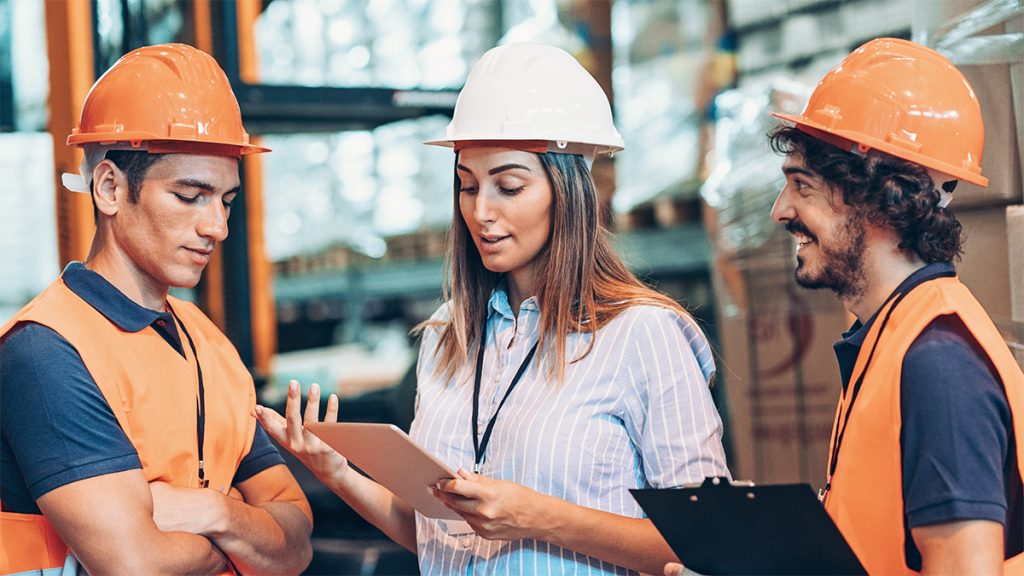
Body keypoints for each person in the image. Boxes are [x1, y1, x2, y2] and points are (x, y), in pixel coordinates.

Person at [256, 42, 730, 575]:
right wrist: (338, 471)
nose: (481, 212)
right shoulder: (449, 337)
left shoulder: (642, 334)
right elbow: (440, 537)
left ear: (569, 190)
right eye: (467, 186)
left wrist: (537, 517)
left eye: (508, 186)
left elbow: (709, 541)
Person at [669, 37, 1024, 576]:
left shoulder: (938, 364)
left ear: (880, 196)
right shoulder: (892, 337)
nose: (779, 210)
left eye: (801, 186)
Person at [0, 44, 312, 576]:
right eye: (190, 196)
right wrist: (246, 533)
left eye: (226, 201)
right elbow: (135, 563)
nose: (217, 226)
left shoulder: (203, 337)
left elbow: (297, 540)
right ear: (110, 188)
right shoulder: (45, 351)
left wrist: (214, 511)